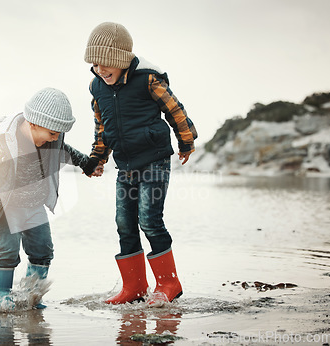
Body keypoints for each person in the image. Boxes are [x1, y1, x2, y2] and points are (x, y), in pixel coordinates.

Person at [81, 22, 198, 307]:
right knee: (124, 223)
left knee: (149, 219)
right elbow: (102, 127)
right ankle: (134, 287)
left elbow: (175, 110)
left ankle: (169, 283)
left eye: (105, 63)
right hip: (125, 166)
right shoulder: (97, 87)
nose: (99, 69)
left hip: (155, 161)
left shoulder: (147, 79)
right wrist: (98, 158)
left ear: (120, 59)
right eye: (94, 63)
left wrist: (186, 141)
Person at [0, 87, 93, 309]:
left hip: (33, 203)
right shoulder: (4, 141)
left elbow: (66, 151)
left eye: (58, 134)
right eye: (52, 133)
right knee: (8, 249)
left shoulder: (54, 138)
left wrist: (88, 164)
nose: (56, 138)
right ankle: (2, 295)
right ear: (33, 122)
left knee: (43, 249)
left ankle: (32, 295)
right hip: (3, 203)